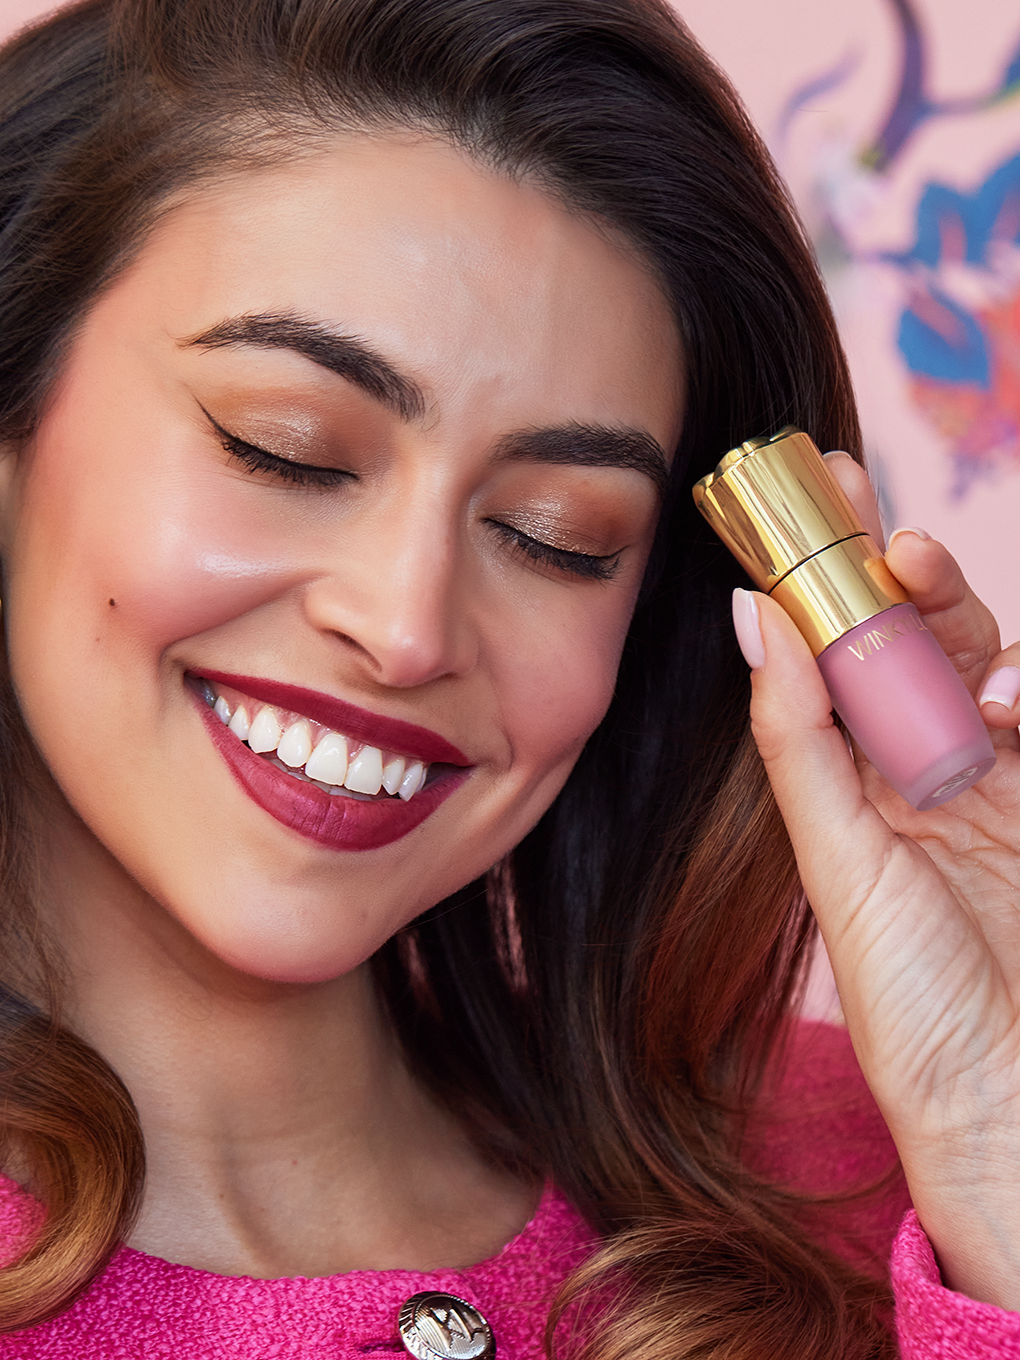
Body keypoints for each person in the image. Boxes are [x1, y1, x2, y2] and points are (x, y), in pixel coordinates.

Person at [0, 0, 1018, 1356]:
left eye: (559, 538)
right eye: (289, 449)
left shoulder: (865, 1168)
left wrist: (990, 1138)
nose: (409, 628)